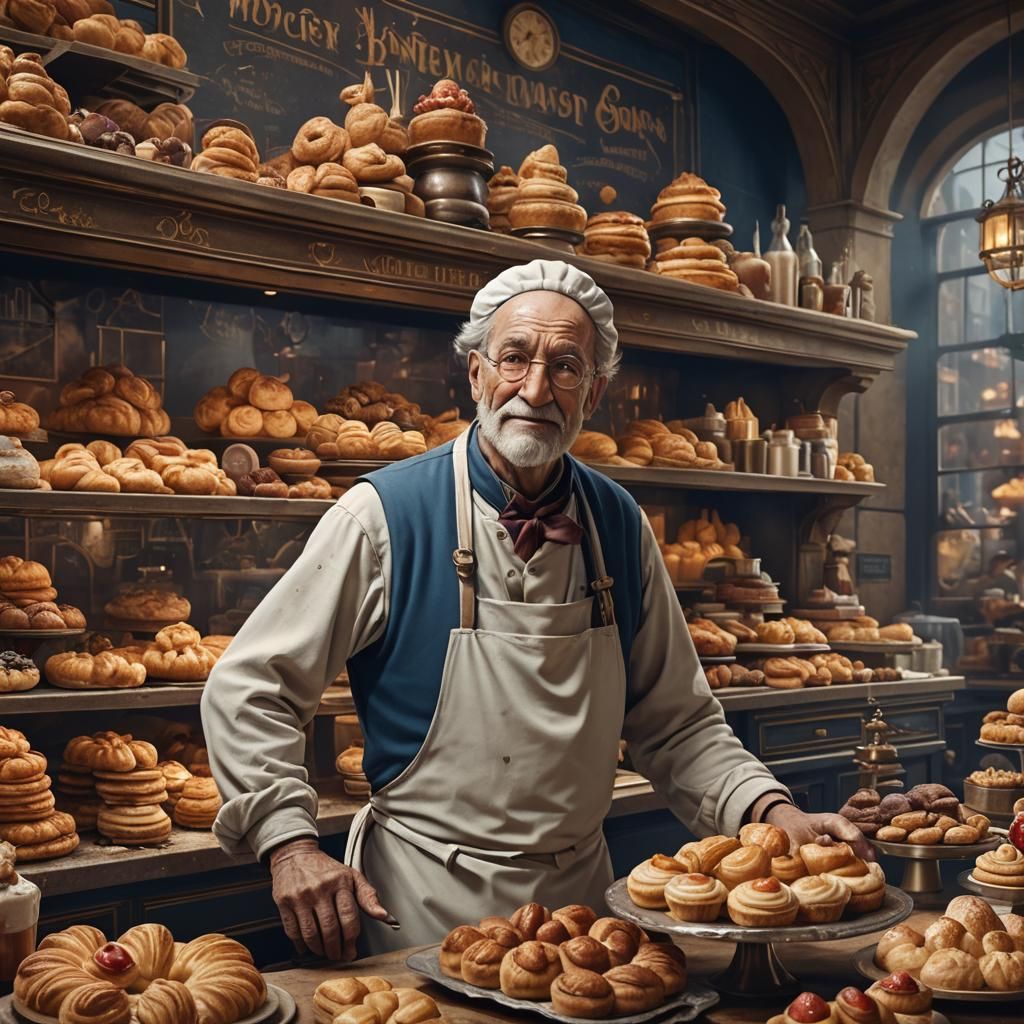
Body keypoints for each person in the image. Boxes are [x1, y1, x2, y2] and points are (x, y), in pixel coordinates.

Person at [201, 260, 872, 963]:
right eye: (515, 358)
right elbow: (252, 685)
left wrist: (774, 811)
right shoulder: (385, 515)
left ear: (596, 392)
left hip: (582, 913)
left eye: (566, 367)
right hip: (422, 904)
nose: (535, 389)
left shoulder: (618, 523)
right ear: (474, 374)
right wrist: (287, 841)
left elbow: (677, 723)